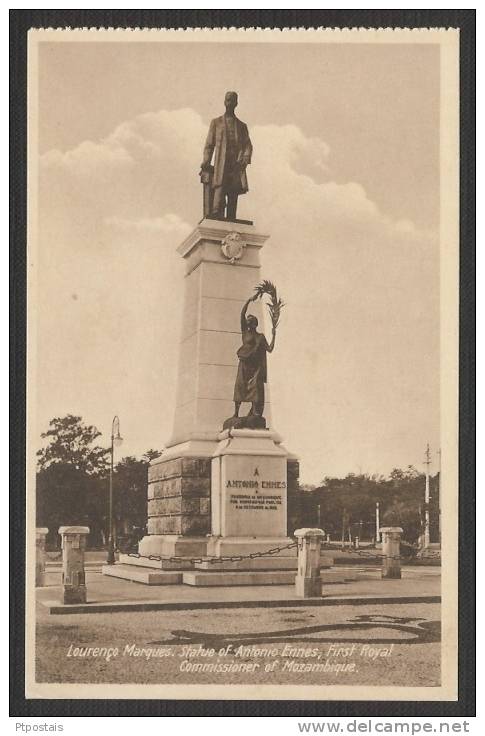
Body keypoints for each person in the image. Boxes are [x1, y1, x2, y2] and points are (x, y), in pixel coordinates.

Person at [200, 91, 252, 221]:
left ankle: (231, 217)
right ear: (224, 102)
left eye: (232, 100)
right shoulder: (216, 122)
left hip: (235, 163)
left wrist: (245, 158)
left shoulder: (242, 126)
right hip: (221, 163)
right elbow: (209, 145)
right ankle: (217, 213)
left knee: (233, 191)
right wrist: (206, 161)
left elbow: (248, 145)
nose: (230, 103)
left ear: (236, 103)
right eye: (228, 100)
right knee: (219, 189)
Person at [233, 295, 276, 418]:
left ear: (254, 324)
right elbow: (242, 314)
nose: (246, 322)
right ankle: (236, 413)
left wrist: (274, 335)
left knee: (255, 388)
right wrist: (248, 301)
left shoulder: (260, 337)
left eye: (249, 321)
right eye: (247, 321)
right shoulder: (245, 333)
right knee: (240, 386)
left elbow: (270, 349)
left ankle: (255, 412)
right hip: (244, 364)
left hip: (255, 366)